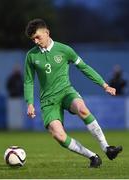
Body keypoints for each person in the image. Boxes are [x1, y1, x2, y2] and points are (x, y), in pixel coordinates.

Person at [24, 18, 122, 168]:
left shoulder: (64, 50)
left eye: (38, 37)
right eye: (33, 39)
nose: (36, 41)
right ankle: (93, 157)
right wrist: (30, 103)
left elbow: (84, 67)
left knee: (82, 109)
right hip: (48, 101)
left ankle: (107, 148)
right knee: (59, 136)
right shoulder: (31, 56)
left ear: (47, 32)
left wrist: (104, 85)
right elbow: (29, 81)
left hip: (66, 92)